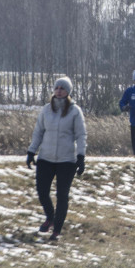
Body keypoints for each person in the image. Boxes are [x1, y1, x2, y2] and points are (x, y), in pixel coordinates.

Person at [26, 76, 86, 242]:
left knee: (62, 195)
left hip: (67, 160)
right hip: (46, 157)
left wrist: (81, 157)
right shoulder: (46, 109)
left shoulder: (75, 111)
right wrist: (31, 151)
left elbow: (81, 135)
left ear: (68, 91)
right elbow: (38, 132)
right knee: (42, 190)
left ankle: (57, 229)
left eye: (62, 88)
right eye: (57, 87)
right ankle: (50, 217)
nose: (59, 90)